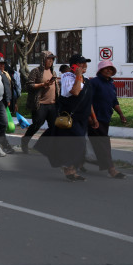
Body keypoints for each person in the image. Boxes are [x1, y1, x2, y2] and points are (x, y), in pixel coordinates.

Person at [37, 54, 98, 182]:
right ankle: (68, 167)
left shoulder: (85, 80)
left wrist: (93, 117)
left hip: (82, 117)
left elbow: (88, 100)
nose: (85, 66)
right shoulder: (67, 77)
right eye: (82, 63)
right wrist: (77, 75)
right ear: (74, 66)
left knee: (77, 143)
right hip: (71, 117)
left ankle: (71, 170)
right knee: (79, 142)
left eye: (85, 63)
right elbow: (75, 92)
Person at [87, 60, 126, 179]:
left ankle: (79, 162)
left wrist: (121, 114)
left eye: (111, 69)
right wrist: (92, 118)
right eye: (106, 68)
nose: (109, 70)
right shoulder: (94, 82)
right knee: (104, 144)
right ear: (100, 70)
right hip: (95, 119)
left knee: (98, 144)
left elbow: (114, 101)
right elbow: (88, 101)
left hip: (105, 118)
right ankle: (111, 169)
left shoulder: (111, 84)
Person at [22, 50, 59, 154]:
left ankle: (46, 147)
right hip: (40, 103)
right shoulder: (36, 71)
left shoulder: (53, 72)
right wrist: (42, 85)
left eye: (52, 59)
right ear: (43, 60)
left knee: (54, 127)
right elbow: (29, 85)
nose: (51, 61)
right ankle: (25, 140)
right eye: (49, 59)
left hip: (52, 104)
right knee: (37, 124)